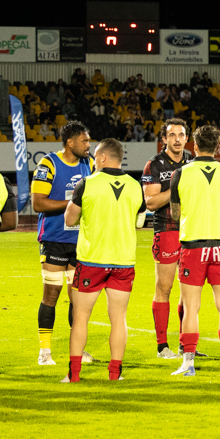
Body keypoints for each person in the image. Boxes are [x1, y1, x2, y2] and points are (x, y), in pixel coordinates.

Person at [61, 139, 144, 382]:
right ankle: (115, 375)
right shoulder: (135, 186)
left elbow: (69, 219)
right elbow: (139, 223)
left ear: (104, 158)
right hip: (123, 261)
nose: (93, 161)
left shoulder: (87, 183)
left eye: (96, 157)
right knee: (119, 319)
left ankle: (74, 375)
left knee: (80, 318)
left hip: (92, 260)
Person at [169, 125, 220, 376]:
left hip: (193, 246)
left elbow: (175, 213)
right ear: (217, 146)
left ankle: (188, 363)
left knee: (191, 307)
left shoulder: (181, 173)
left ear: (194, 146)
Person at [32, 121, 94, 366]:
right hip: (55, 240)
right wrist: (73, 204)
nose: (89, 145)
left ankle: (77, 351)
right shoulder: (48, 163)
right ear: (70, 143)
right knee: (51, 294)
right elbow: (38, 203)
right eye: (85, 141)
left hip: (81, 242)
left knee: (78, 298)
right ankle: (45, 352)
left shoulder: (88, 164)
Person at [142, 119, 193, 359]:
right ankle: (162, 347)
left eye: (181, 135)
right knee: (165, 288)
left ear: (186, 138)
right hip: (167, 230)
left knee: (189, 290)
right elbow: (150, 202)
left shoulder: (193, 161)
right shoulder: (154, 164)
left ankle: (186, 346)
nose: (176, 139)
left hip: (193, 231)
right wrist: (176, 185)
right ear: (164, 139)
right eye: (171, 135)